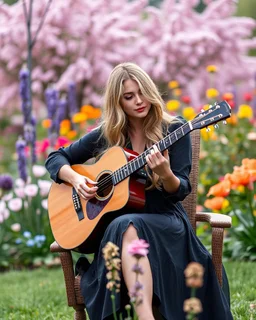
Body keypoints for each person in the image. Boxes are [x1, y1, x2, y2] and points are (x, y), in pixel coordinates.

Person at [45, 62, 233, 320]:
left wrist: (166, 173)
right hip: (121, 227)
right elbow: (56, 158)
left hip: (166, 223)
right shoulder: (108, 134)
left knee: (126, 224)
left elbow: (181, 190)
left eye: (142, 92)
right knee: (125, 224)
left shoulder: (174, 129)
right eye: (129, 97)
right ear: (117, 102)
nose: (139, 101)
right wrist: (76, 179)